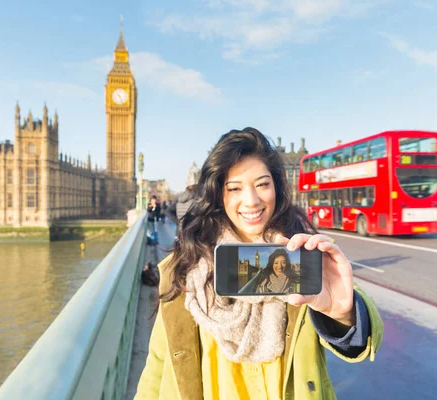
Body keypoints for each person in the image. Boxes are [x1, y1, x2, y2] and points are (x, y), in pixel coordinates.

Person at [134, 128, 383, 400]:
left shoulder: (304, 253)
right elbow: (158, 365)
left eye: (262, 184)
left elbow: (362, 339)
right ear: (218, 194)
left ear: (276, 186)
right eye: (235, 188)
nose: (251, 200)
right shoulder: (185, 268)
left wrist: (343, 314)